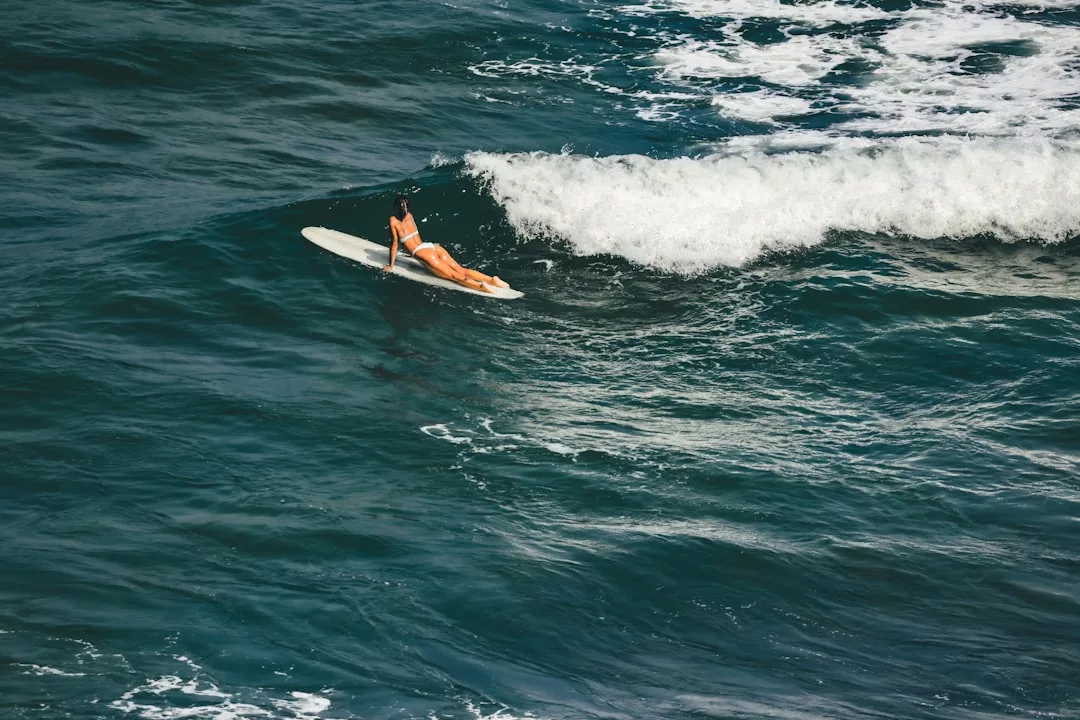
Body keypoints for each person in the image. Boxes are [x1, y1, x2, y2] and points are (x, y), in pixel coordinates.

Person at [383, 195, 509, 293]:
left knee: (453, 275)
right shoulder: (410, 215)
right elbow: (416, 237)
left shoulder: (393, 221)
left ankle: (481, 286)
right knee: (461, 269)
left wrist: (391, 265)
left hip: (422, 252)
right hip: (432, 247)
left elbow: (394, 244)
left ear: (395, 207)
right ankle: (492, 280)